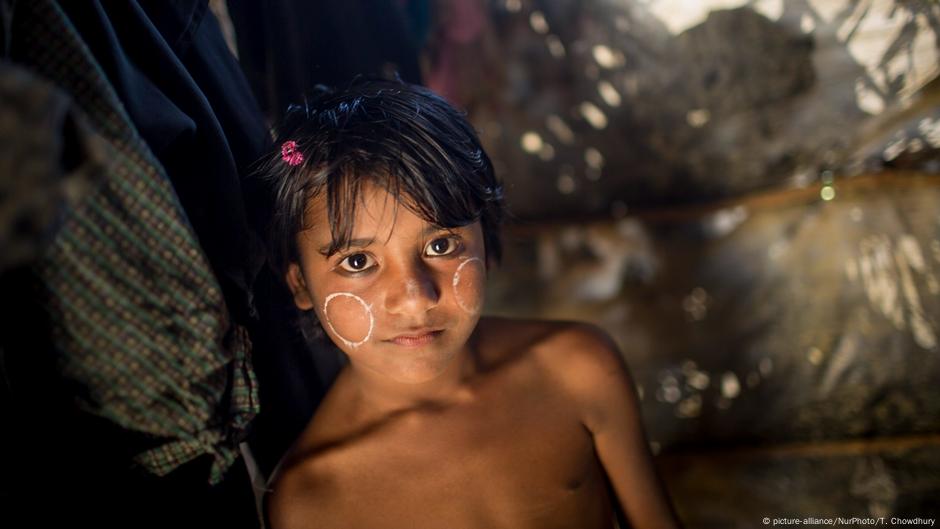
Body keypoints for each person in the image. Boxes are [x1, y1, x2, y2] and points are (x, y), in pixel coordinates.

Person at [258, 79, 680, 529]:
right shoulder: (311, 501)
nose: (416, 297)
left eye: (441, 246)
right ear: (300, 283)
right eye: (358, 261)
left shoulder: (577, 370)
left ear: (487, 236)